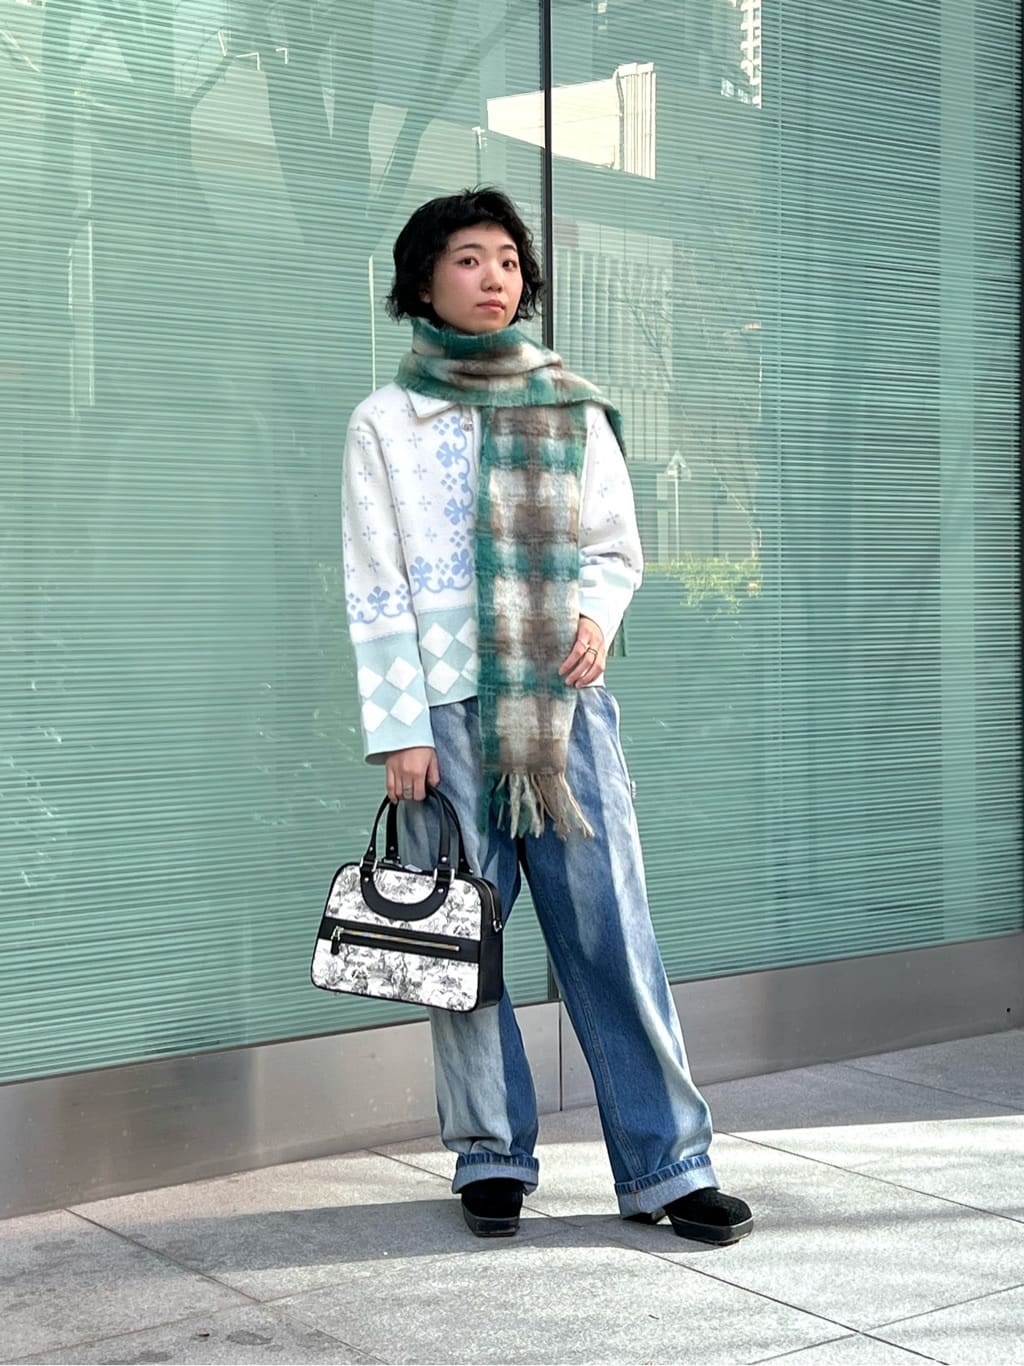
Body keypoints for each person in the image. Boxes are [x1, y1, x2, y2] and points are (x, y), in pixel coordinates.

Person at [341, 187, 753, 1245]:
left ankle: (668, 1165)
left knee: (614, 933)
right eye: (468, 257)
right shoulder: (386, 421)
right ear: (422, 279)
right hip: (443, 716)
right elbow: (374, 581)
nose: (494, 277)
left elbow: (613, 547)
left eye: (508, 260)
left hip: (563, 712)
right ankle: (489, 1153)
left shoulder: (570, 405)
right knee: (461, 944)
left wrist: (596, 619)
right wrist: (399, 728)